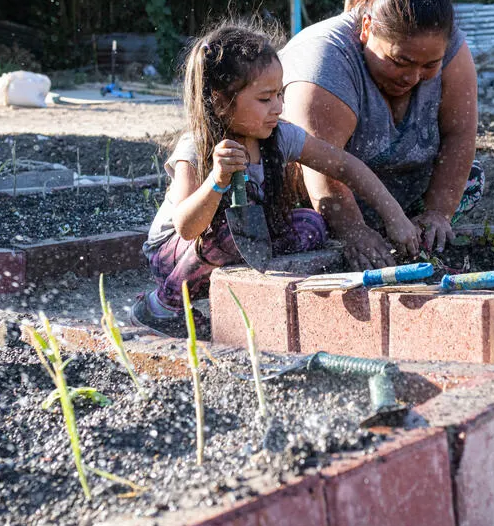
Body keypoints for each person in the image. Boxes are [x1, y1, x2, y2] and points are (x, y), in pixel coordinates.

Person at [135, 20, 421, 337]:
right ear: (219, 101)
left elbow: (344, 166)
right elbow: (188, 228)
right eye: (264, 99)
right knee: (228, 234)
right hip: (175, 256)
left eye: (279, 95)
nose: (278, 107)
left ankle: (252, 293)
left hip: (240, 243)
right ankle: (163, 306)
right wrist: (217, 180)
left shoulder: (279, 136)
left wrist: (394, 215)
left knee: (311, 225)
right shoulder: (196, 148)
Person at [280, 0, 480, 270]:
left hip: (396, 184)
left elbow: (460, 132)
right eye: (400, 61)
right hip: (317, 188)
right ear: (367, 28)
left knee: (469, 178)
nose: (412, 77)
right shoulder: (326, 63)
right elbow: (321, 168)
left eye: (429, 65)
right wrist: (354, 231)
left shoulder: (453, 48)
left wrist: (438, 213)